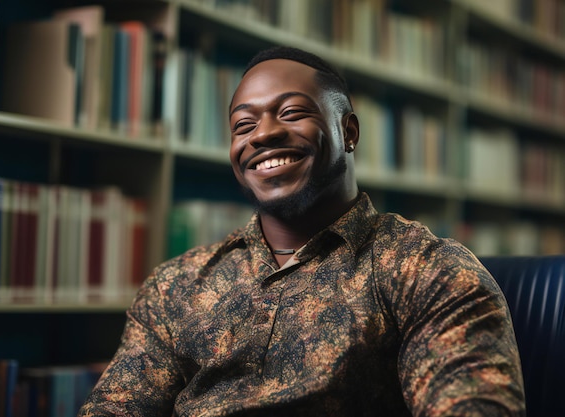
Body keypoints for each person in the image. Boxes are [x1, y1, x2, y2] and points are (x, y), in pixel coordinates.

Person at [79, 46, 525, 416]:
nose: (263, 134)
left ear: (348, 131)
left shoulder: (425, 270)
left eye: (291, 112)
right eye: (243, 124)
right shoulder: (175, 286)